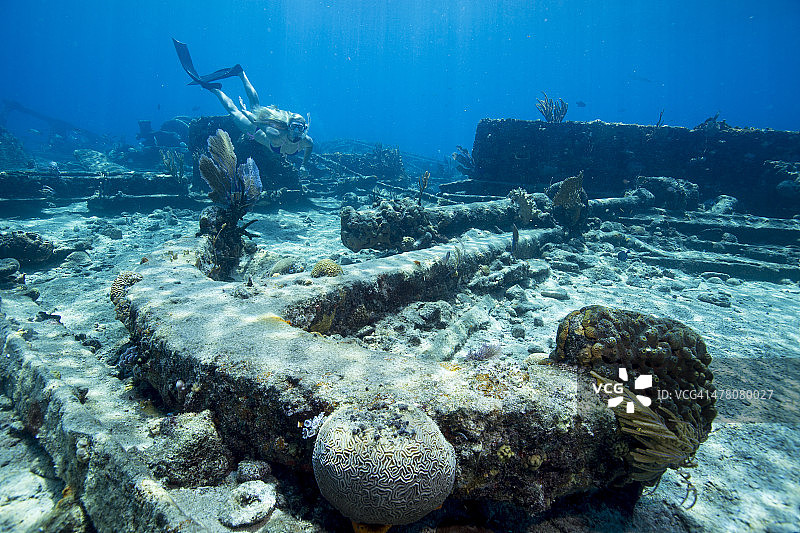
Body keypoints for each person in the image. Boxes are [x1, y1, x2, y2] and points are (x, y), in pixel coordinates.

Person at [173, 39, 313, 173]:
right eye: (294, 126)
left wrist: (304, 166)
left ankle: (240, 73)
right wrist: (245, 112)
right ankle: (215, 89)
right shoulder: (276, 136)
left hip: (260, 125)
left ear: (304, 129)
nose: (296, 131)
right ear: (288, 126)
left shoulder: (306, 141)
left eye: (299, 128)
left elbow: (310, 147)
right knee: (235, 112)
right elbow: (256, 121)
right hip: (255, 128)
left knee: (256, 106)